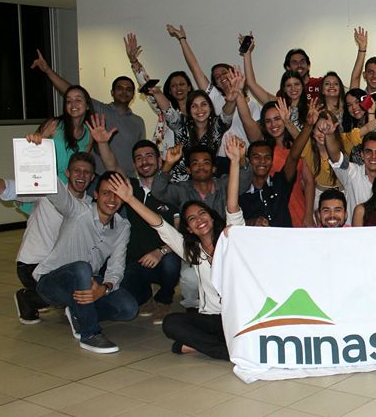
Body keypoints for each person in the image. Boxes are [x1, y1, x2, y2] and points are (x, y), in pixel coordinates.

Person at [109, 135, 247, 359]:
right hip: (212, 319)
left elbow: (232, 205)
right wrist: (130, 199)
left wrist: (234, 161)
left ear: (212, 217)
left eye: (202, 213)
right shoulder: (191, 251)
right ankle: (235, 350)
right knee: (172, 324)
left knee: (237, 329)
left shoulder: (231, 239)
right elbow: (159, 224)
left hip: (238, 316)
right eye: (191, 219)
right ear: (189, 229)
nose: (198, 219)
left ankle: (212, 347)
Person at [0, 152, 97, 324]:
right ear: (67, 173)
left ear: (92, 177)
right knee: (68, 296)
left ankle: (47, 298)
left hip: (60, 266)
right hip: (32, 264)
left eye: (86, 172)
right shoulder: (47, 189)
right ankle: (28, 298)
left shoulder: (89, 205)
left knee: (83, 290)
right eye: (77, 170)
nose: (81, 175)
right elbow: (5, 188)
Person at [33, 171, 138, 353]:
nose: (112, 199)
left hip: (88, 282)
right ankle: (90, 334)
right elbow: (55, 189)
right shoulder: (78, 210)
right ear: (95, 195)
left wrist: (104, 289)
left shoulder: (122, 227)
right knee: (82, 268)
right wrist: (40, 149)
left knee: (128, 309)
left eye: (117, 194)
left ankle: (77, 311)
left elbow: (116, 267)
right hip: (52, 283)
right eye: (106, 193)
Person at [31, 50, 146, 176]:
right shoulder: (99, 110)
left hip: (126, 178)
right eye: (119, 88)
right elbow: (70, 90)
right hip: (97, 179)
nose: (124, 92)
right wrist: (47, 70)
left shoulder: (138, 122)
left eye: (128, 89)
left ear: (133, 95)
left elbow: (140, 153)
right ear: (112, 92)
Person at [165, 24, 261, 163]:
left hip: (243, 158)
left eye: (224, 72)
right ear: (215, 83)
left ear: (234, 73)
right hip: (218, 159)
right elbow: (195, 68)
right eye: (217, 76)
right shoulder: (214, 98)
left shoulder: (252, 104)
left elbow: (256, 138)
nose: (221, 76)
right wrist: (182, 39)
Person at [116, 140, 182, 325]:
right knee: (128, 297)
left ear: (160, 160)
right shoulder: (130, 188)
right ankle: (146, 297)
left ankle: (164, 299)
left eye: (149, 156)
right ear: (134, 164)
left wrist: (160, 252)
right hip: (136, 259)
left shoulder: (172, 191)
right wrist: (102, 142)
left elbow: (179, 234)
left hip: (163, 257)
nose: (144, 161)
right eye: (139, 158)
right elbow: (111, 165)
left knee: (171, 263)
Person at [239, 110, 314, 227]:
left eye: (267, 157)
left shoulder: (280, 184)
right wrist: (252, 223)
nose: (262, 161)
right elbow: (232, 222)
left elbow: (293, 157)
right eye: (256, 157)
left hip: (286, 242)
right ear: (249, 160)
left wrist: (308, 126)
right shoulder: (240, 190)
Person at [124, 33, 194, 153]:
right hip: (165, 162)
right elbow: (148, 86)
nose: (178, 88)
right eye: (174, 86)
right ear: (170, 91)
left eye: (182, 84)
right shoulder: (163, 108)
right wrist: (134, 61)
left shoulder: (200, 110)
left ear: (189, 87)